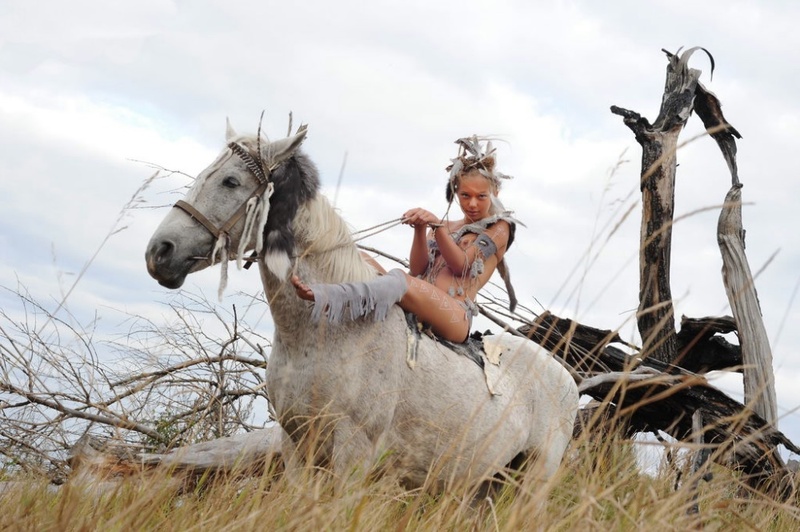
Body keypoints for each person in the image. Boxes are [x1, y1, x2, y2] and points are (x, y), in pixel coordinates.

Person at [291, 136, 517, 344]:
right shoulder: (446, 226)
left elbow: (462, 266)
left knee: (400, 279)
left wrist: (436, 228)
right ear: (456, 192)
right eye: (465, 195)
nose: (473, 204)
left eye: (481, 196)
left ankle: (327, 297)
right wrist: (420, 230)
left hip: (453, 317)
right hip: (417, 301)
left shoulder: (500, 228)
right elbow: (418, 268)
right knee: (362, 257)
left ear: (495, 193)